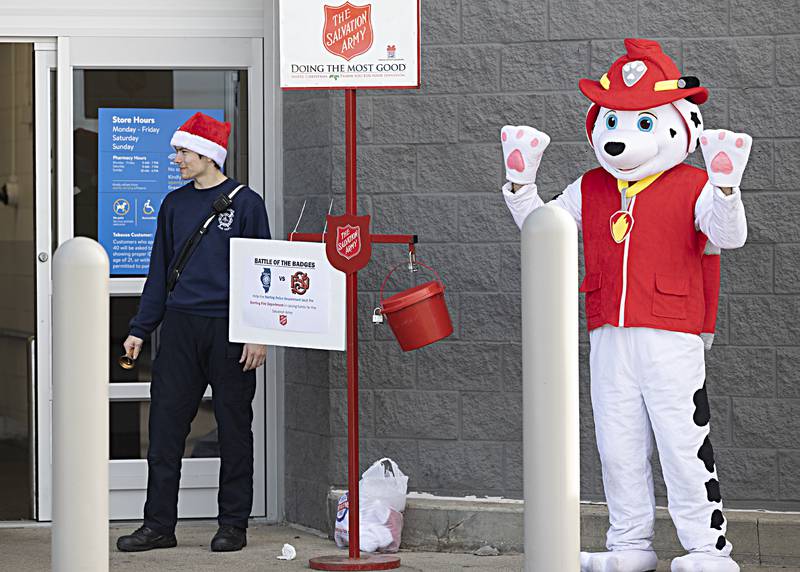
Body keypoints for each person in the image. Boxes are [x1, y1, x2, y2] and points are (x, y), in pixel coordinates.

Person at [116, 112, 270, 553]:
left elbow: (262, 273)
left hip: (229, 330)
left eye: (183, 151)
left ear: (207, 154)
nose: (177, 159)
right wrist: (140, 329)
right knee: (165, 430)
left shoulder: (246, 204)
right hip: (180, 328)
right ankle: (158, 525)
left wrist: (256, 333)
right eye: (178, 151)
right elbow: (160, 271)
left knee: (234, 428)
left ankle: (233, 524)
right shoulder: (173, 204)